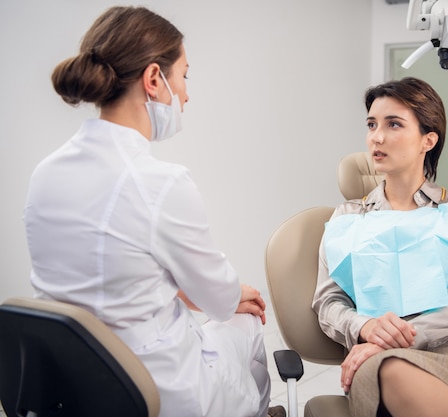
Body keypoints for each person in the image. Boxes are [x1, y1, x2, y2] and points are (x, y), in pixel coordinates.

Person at [23, 6, 284, 417]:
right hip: (156, 390)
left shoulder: (45, 173)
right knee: (247, 323)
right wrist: (234, 294)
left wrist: (182, 292)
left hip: (72, 389)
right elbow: (218, 301)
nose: (185, 94)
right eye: (183, 76)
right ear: (152, 80)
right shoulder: (161, 182)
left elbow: (102, 280)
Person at [312, 77, 448, 417]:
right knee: (392, 370)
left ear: (429, 139)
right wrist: (365, 329)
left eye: (393, 124)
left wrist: (399, 337)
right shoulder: (346, 218)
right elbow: (328, 300)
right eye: (371, 124)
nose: (376, 137)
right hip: (379, 354)